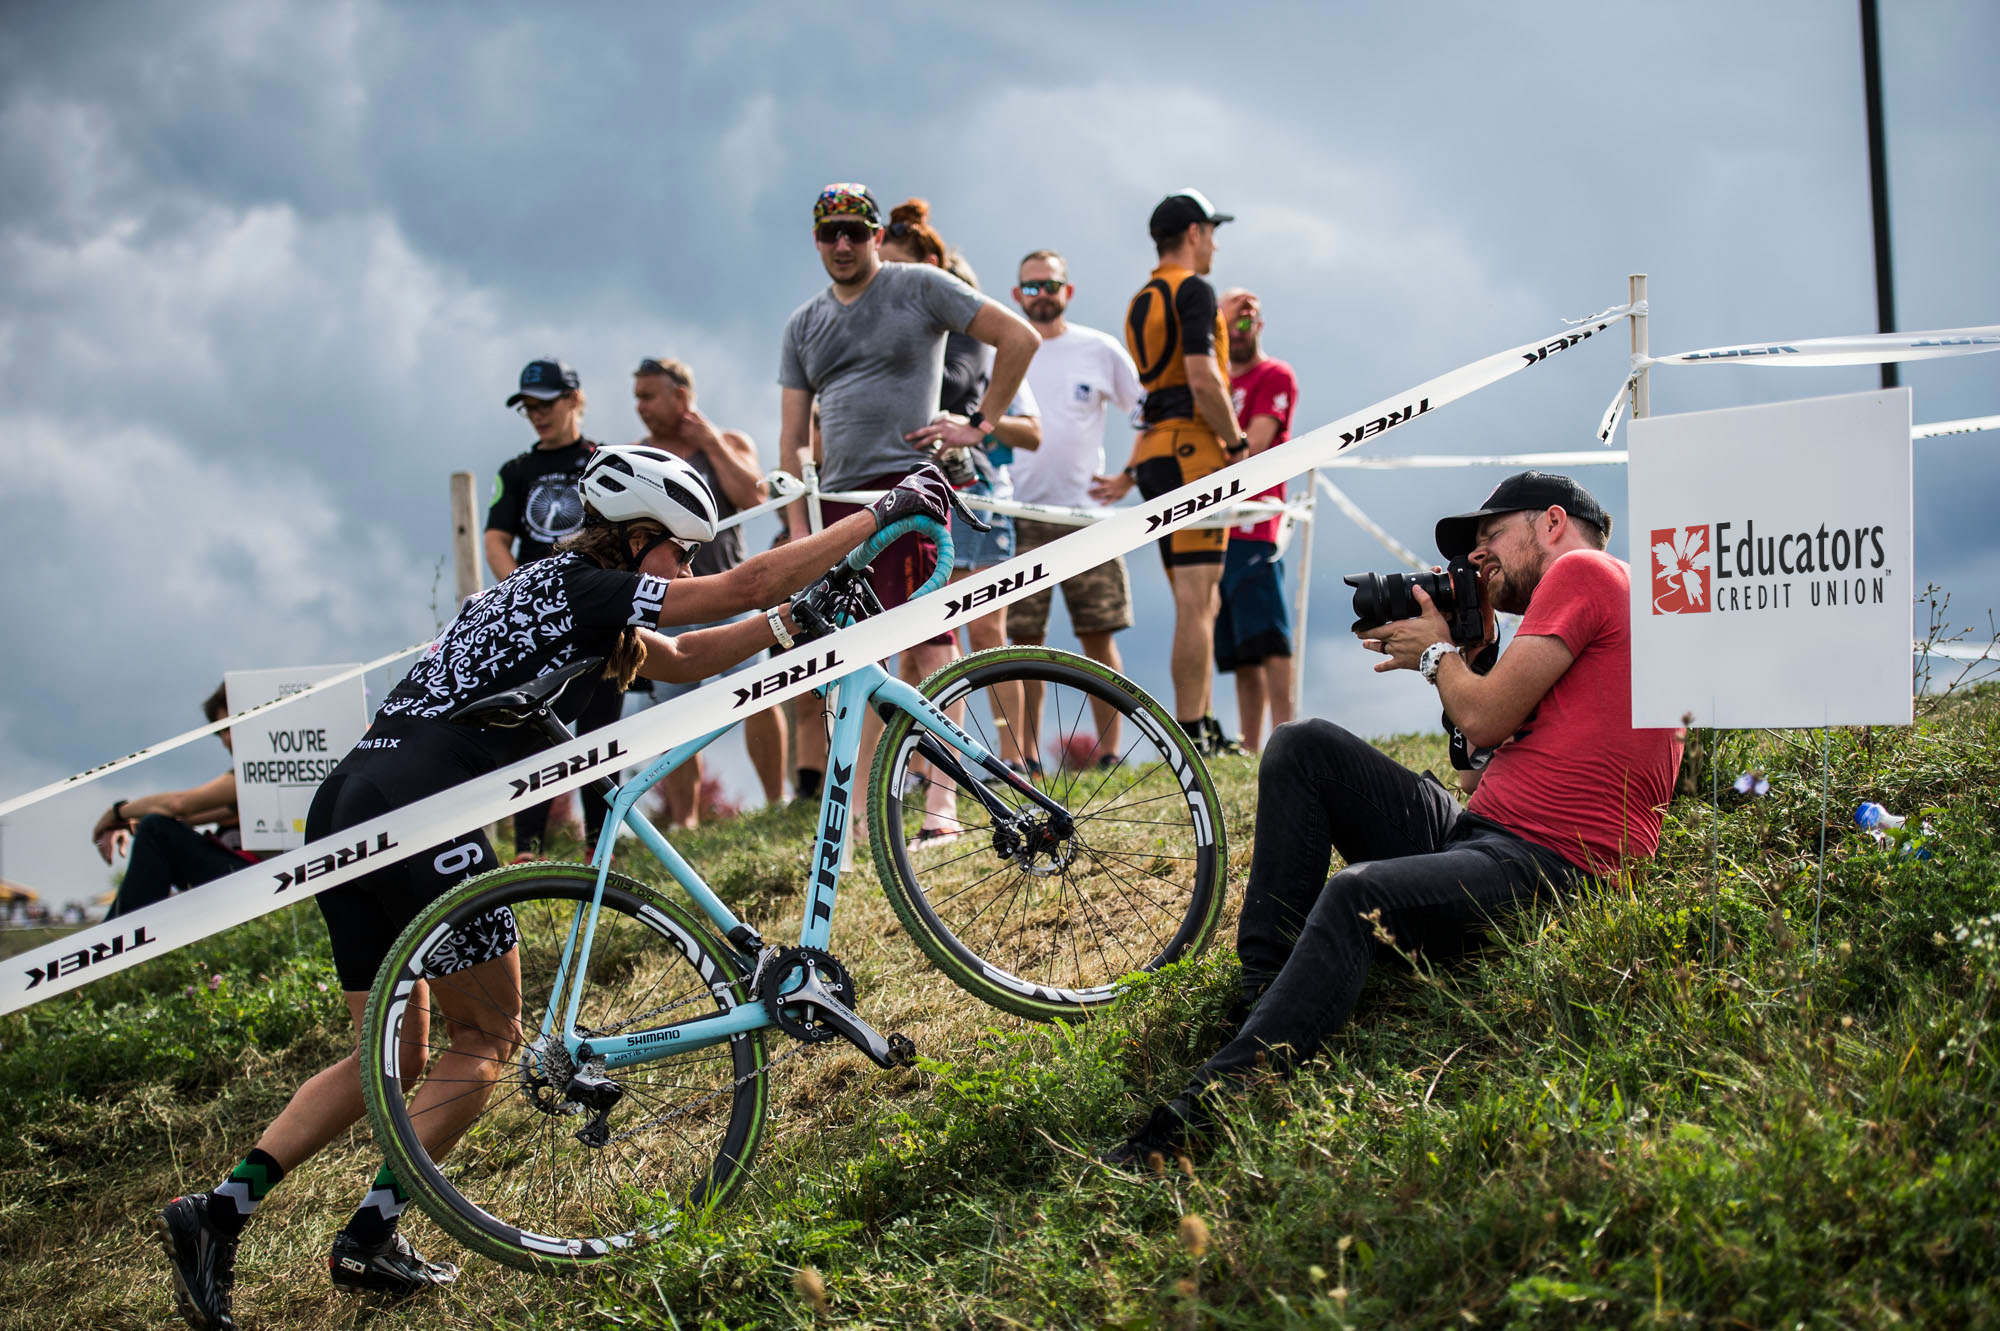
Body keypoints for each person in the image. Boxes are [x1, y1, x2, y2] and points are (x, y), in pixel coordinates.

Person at [156, 450, 959, 1329]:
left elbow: (685, 651)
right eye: (681, 554)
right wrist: (883, 513)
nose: (686, 570)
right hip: (425, 807)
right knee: (490, 1035)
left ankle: (222, 1213)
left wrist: (780, 628)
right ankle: (365, 1230)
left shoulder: (552, 589)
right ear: (641, 537)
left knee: (389, 1055)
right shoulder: (584, 586)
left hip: (353, 795)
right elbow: (744, 582)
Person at [1101, 472, 1684, 1167]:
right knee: (1302, 746)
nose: (1478, 561)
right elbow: (1475, 767)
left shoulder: (1587, 570)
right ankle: (1264, 999)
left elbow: (1485, 713)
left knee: (1357, 893)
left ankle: (1202, 1118)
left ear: (1552, 522)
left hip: (1554, 863)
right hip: (1490, 832)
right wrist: (1471, 656)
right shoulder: (1571, 617)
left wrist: (1437, 658)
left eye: (1490, 537)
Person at [777, 182, 1038, 835]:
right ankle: (863, 814)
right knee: (856, 662)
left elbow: (1019, 337)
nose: (843, 243)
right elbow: (789, 440)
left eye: (855, 231)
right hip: (838, 504)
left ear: (873, 233)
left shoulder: (919, 285)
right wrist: (797, 534)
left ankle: (942, 807)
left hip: (910, 490)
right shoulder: (804, 323)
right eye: (830, 232)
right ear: (815, 239)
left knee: (931, 646)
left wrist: (980, 423)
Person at [879, 200, 1042, 790]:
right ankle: (924, 766)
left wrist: (975, 421)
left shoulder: (964, 339)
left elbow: (963, 392)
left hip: (970, 496)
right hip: (920, 496)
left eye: (896, 274)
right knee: (915, 639)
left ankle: (1014, 758)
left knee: (982, 633)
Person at [1089, 189, 1245, 758]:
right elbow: (1203, 379)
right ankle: (1195, 729)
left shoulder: (1142, 296)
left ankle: (1199, 723)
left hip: (1155, 450)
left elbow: (1158, 388)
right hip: (1193, 451)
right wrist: (1236, 441)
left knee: (1197, 599)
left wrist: (1132, 470)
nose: (1216, 245)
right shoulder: (1194, 288)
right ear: (1195, 233)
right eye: (1212, 232)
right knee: (1197, 599)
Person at [626, 356, 787, 826]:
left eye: (648, 396)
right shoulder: (640, 455)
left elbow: (754, 498)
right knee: (674, 713)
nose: (640, 407)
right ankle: (686, 822)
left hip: (732, 595)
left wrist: (711, 443)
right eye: (636, 396)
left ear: (680, 395)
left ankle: (778, 803)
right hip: (670, 604)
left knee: (760, 692)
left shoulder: (731, 442)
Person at [1006, 247, 1143, 770]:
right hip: (1015, 513)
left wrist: (1129, 475)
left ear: (1069, 290)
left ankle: (1110, 753)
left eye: (1051, 284)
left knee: (1098, 635)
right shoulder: (1006, 349)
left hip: (1086, 518)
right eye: (1032, 286)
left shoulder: (1099, 349)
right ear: (1017, 294)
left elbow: (1147, 412)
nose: (1043, 295)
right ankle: (1023, 759)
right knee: (1022, 644)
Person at [484, 357, 620, 857]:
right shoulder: (517, 471)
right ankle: (528, 849)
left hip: (602, 611)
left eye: (545, 403)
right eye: (528, 407)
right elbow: (496, 540)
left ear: (574, 399)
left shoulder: (606, 461)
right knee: (534, 727)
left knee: (601, 730)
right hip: (541, 623)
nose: (537, 414)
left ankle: (599, 845)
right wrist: (528, 593)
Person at [1213, 288, 1301, 753]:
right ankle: (1250, 746)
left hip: (1256, 524)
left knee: (1270, 639)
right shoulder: (1213, 379)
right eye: (1232, 321)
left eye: (1250, 319)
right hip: (1214, 529)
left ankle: (1286, 735)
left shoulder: (1275, 374)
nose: (1242, 327)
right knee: (1239, 651)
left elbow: (1256, 446)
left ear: (1261, 326)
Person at [93, 684, 258, 918]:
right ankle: (118, 938)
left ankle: (114, 939)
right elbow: (187, 817)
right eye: (221, 732)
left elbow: (179, 805)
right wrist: (129, 823)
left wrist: (119, 811)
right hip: (258, 878)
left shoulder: (258, 773)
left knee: (155, 830)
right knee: (156, 827)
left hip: (261, 880)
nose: (225, 740)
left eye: (229, 727)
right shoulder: (260, 781)